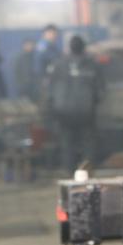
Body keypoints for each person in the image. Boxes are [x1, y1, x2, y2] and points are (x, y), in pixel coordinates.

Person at [47, 35, 103, 171]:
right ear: (84, 48)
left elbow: (50, 89)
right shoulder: (92, 65)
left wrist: (54, 106)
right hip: (86, 111)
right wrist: (93, 103)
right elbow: (100, 89)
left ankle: (69, 172)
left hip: (63, 111)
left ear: (69, 48)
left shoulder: (58, 64)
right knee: (88, 142)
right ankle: (87, 171)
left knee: (67, 143)